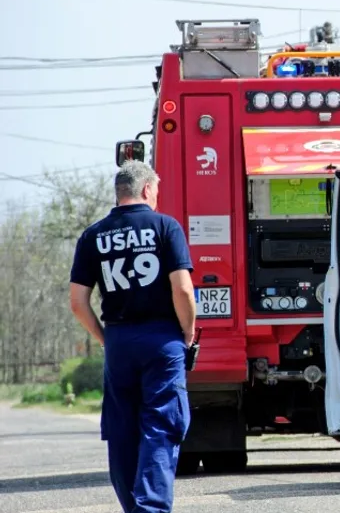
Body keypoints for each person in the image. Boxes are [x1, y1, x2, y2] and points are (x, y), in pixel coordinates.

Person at [69, 161, 197, 512]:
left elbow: (78, 302)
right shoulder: (165, 227)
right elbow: (183, 291)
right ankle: (151, 508)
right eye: (156, 189)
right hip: (162, 339)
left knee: (122, 429)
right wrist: (188, 331)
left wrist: (104, 338)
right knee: (161, 424)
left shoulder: (93, 235)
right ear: (146, 190)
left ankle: (133, 506)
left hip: (119, 341)